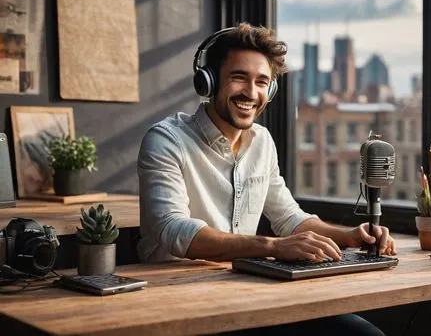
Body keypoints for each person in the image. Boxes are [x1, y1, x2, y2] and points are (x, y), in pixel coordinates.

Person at [137, 22, 397, 336]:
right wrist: (274, 246)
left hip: (245, 295)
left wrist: (349, 236)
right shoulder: (165, 140)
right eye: (238, 78)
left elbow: (289, 218)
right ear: (208, 82)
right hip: (176, 303)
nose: (251, 92)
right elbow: (173, 230)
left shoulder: (262, 141)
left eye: (262, 82)